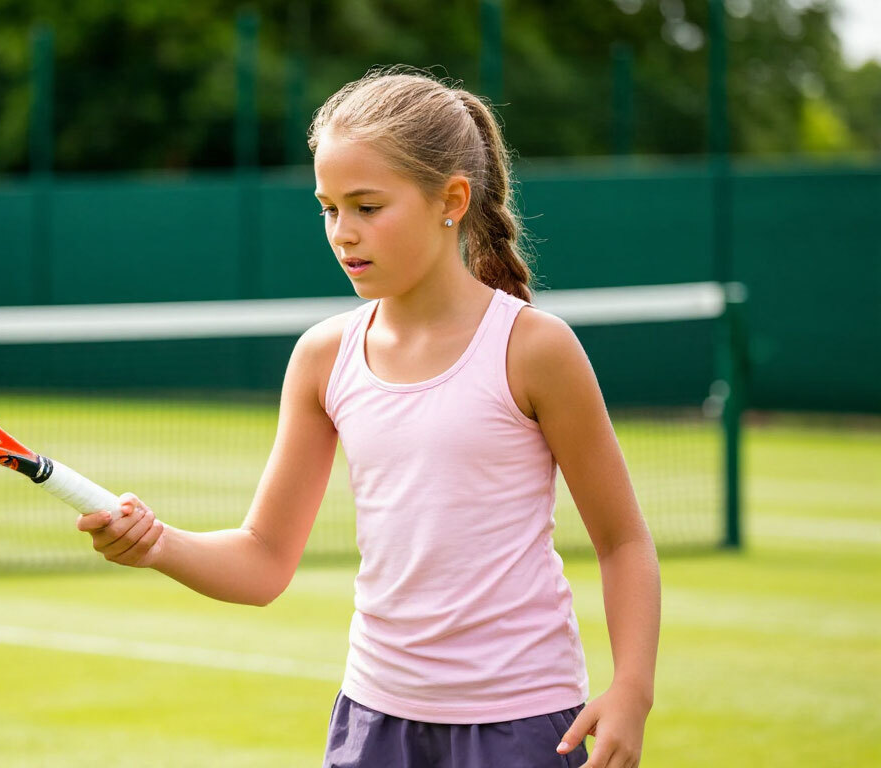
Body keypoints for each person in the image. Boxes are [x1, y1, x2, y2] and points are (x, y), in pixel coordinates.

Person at [77, 68, 659, 768]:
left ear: (451, 200)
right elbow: (264, 561)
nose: (342, 234)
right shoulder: (323, 358)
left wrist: (632, 688)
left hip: (523, 724)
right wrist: (156, 544)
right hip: (372, 724)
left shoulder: (535, 349)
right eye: (327, 208)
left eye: (366, 207)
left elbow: (624, 542)